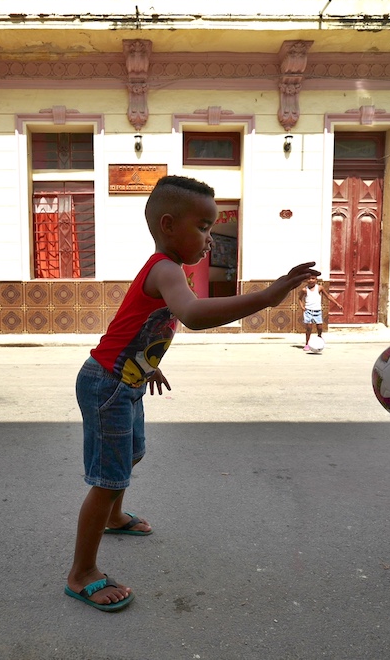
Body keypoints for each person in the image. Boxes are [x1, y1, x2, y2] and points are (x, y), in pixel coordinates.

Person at [65, 175, 320, 612]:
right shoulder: (164, 269)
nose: (210, 240)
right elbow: (193, 315)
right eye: (203, 227)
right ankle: (82, 572)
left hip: (128, 379)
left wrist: (148, 366)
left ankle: (113, 517)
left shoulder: (170, 270)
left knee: (133, 454)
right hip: (107, 384)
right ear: (168, 225)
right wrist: (268, 296)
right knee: (108, 477)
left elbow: (141, 329)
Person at [298, 275, 343, 352]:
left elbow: (327, 296)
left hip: (317, 311)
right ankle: (307, 344)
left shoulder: (319, 288)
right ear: (306, 280)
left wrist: (337, 303)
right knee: (309, 328)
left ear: (316, 280)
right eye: (309, 279)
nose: (311, 280)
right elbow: (299, 298)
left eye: (313, 278)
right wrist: (302, 306)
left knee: (319, 327)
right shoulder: (304, 290)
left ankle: (319, 337)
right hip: (308, 311)